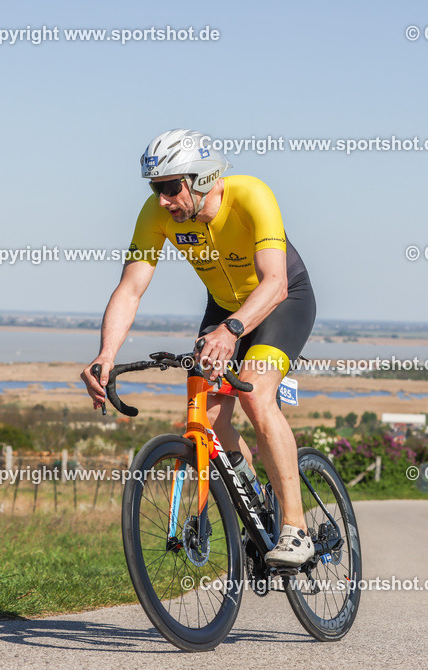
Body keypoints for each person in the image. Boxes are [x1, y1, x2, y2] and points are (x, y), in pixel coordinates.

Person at [81, 128, 316, 567]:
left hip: (280, 301)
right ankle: (253, 496)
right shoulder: (157, 215)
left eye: (171, 188)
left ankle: (296, 528)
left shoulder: (251, 195)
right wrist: (105, 355)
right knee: (207, 418)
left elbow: (276, 282)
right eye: (156, 189)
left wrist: (231, 330)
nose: (163, 200)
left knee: (254, 392)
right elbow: (131, 288)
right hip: (224, 308)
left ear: (202, 179)